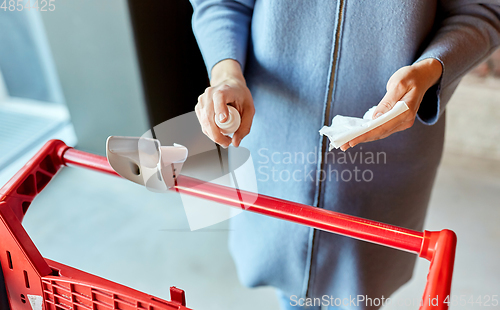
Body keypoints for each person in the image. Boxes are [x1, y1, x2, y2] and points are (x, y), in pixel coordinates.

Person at [189, 1, 500, 309]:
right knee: (292, 292)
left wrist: (430, 69)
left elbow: (481, 9)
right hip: (274, 140)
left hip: (390, 153)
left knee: (360, 293)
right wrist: (226, 75)